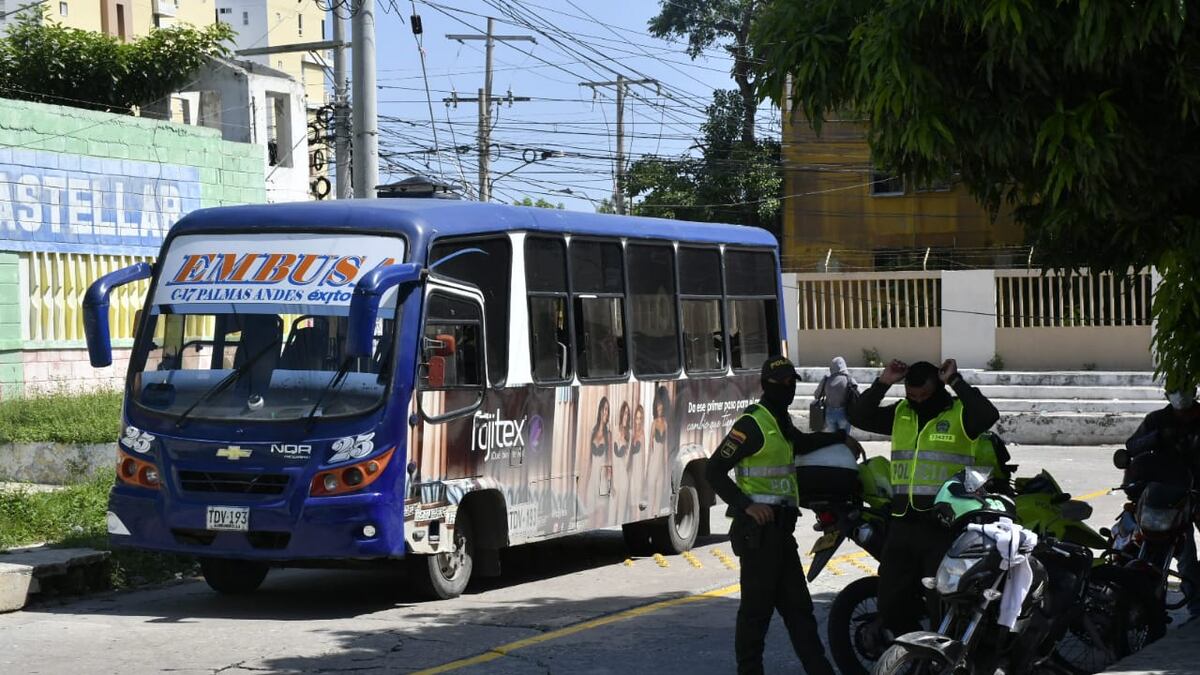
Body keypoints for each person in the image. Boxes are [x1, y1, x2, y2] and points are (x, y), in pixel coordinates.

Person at [705, 356, 841, 675]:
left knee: (799, 611)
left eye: (793, 382)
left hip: (781, 535)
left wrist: (839, 439)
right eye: (783, 384)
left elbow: (803, 443)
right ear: (766, 385)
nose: (790, 388)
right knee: (756, 614)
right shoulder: (752, 423)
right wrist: (746, 504)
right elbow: (714, 470)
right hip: (758, 534)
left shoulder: (780, 421)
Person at [848, 358, 1001, 637]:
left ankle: (940, 661)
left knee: (941, 605)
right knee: (890, 602)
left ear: (939, 390)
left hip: (942, 526)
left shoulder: (959, 414)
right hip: (903, 523)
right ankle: (915, 650)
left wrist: (956, 381)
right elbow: (858, 416)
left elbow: (988, 414)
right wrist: (883, 382)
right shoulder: (902, 412)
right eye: (912, 395)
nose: (918, 401)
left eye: (925, 396)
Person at [1124, 384, 1200, 621]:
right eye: (1175, 389)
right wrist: (1155, 438)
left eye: (1183, 387)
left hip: (1196, 492)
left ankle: (1196, 610)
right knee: (1182, 552)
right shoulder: (1156, 420)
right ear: (1167, 394)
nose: (1180, 394)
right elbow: (1132, 446)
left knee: (1188, 560)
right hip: (1163, 497)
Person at [813, 356, 857, 433]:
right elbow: (859, 393)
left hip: (829, 414)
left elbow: (817, 395)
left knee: (832, 440)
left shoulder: (826, 380)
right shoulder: (849, 379)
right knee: (844, 439)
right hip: (845, 413)